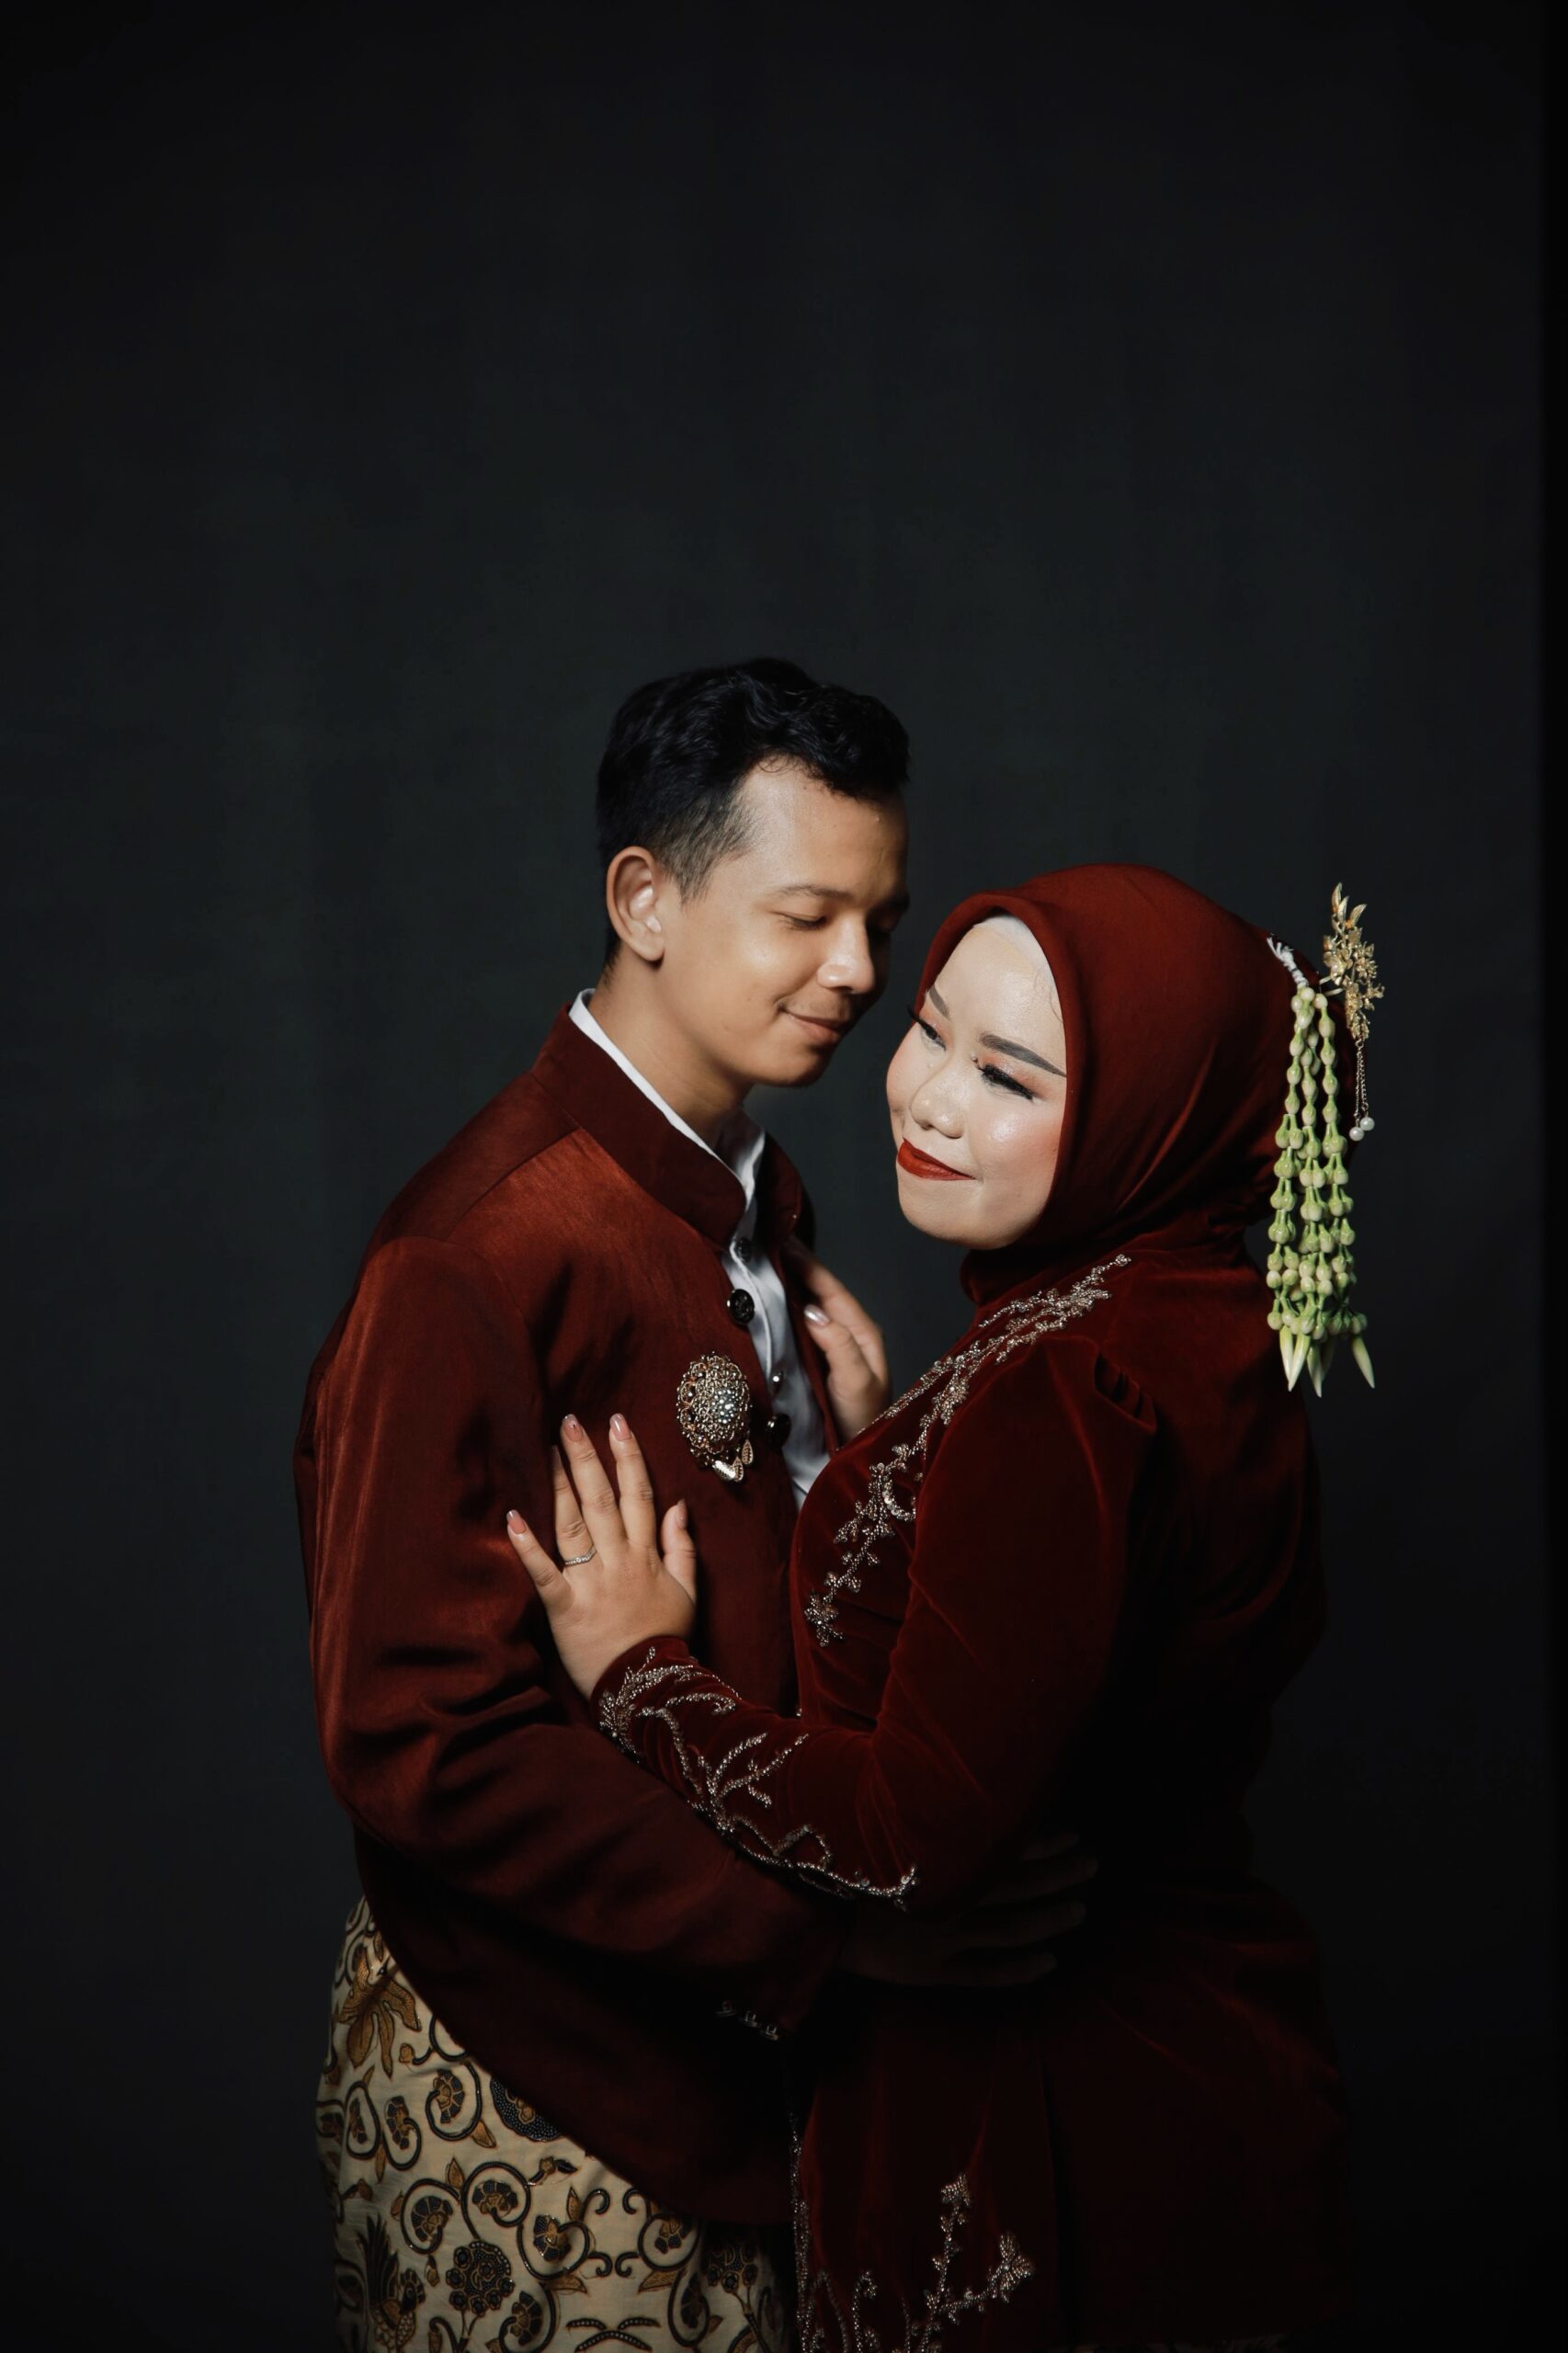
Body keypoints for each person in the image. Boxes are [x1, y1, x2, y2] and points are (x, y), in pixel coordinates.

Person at [299, 663, 1092, 2352]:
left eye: (879, 922)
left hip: (747, 2072)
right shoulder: (479, 1251)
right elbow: (418, 1741)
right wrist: (820, 1938)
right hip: (539, 2084)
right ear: (643, 900)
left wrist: (873, 1467)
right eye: (807, 916)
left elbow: (771, 1616)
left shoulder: (752, 1200)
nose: (860, 972)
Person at [508, 864, 1359, 2353]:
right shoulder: (1208, 1319)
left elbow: (905, 1842)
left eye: (1009, 1077)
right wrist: (898, 1463)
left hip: (1045, 2110)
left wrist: (636, 1670)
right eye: (931, 1027)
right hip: (1197, 2068)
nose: (928, 1097)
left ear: (1148, 1118)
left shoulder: (1062, 1389)